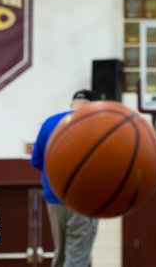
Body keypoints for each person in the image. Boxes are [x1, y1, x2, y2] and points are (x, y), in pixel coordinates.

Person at [31, 89, 99, 267]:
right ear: (94, 106)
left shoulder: (49, 123)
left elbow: (36, 161)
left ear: (72, 104)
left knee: (62, 253)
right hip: (83, 198)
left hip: (53, 196)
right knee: (77, 254)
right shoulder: (98, 124)